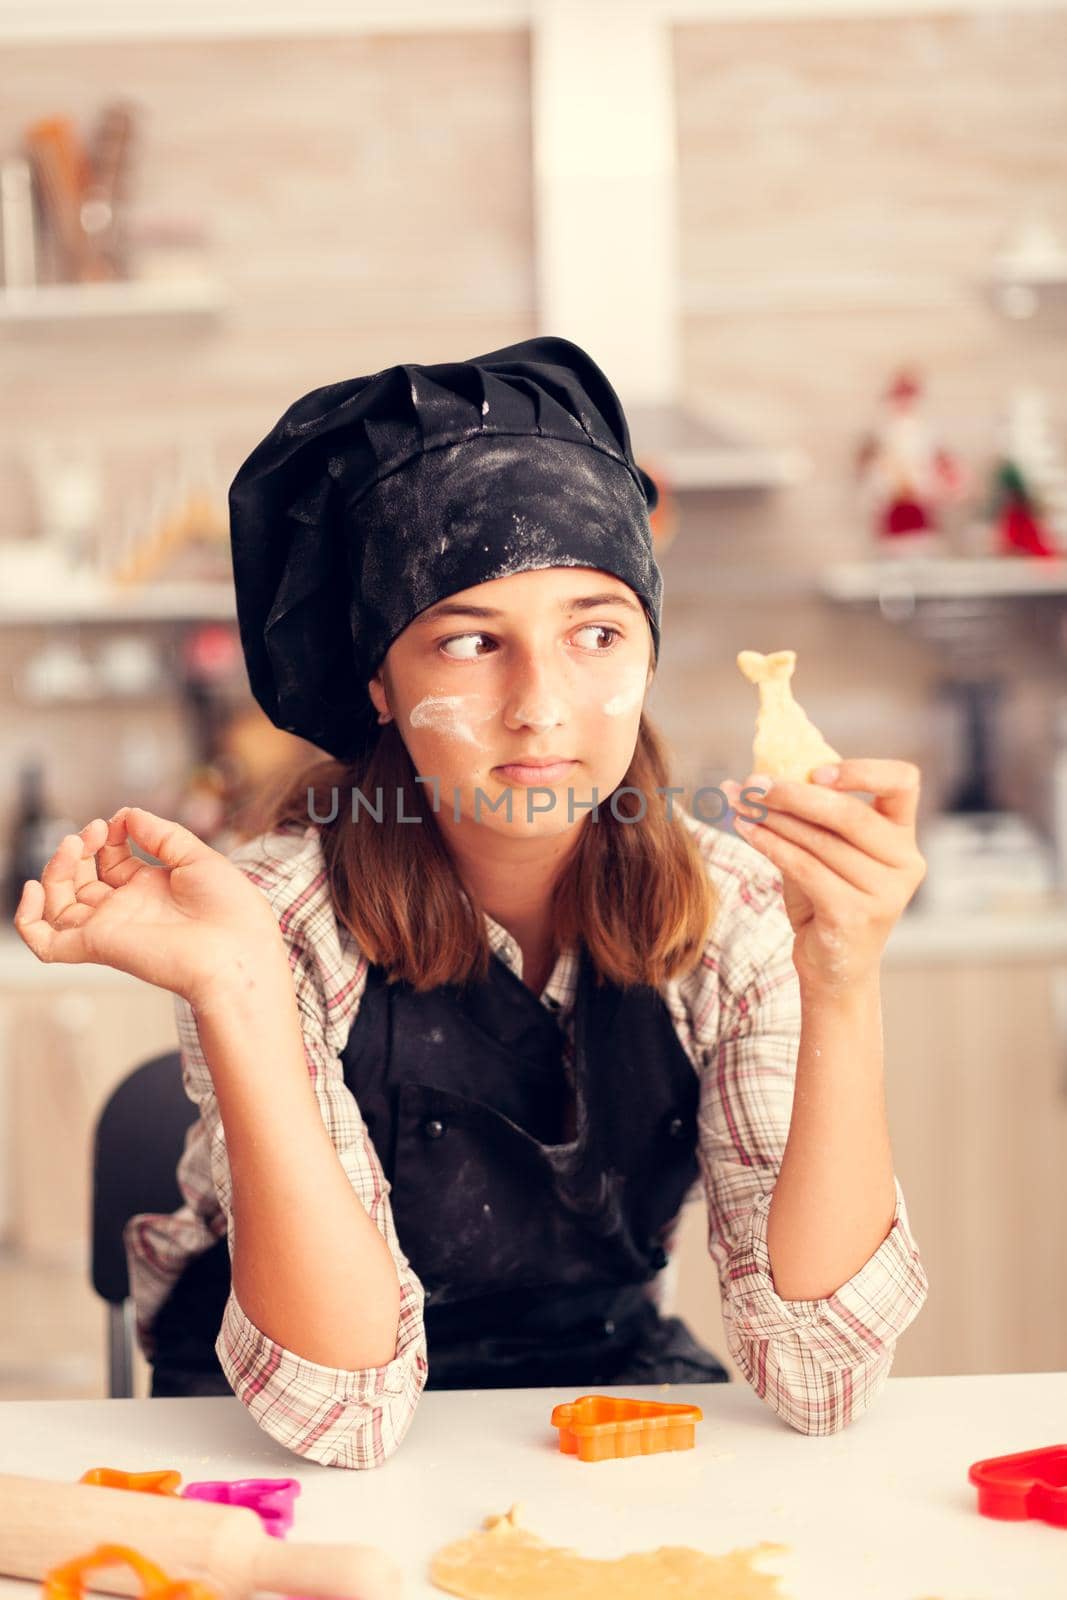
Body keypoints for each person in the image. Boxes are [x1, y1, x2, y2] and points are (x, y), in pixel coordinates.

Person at [14, 336, 929, 1471]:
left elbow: (819, 1376)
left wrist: (839, 978)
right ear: (379, 684)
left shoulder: (736, 903)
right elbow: (343, 1417)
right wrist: (237, 987)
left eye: (595, 630)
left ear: (647, 651)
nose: (540, 708)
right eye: (468, 640)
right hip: (275, 1436)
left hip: (592, 1403)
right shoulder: (275, 920)